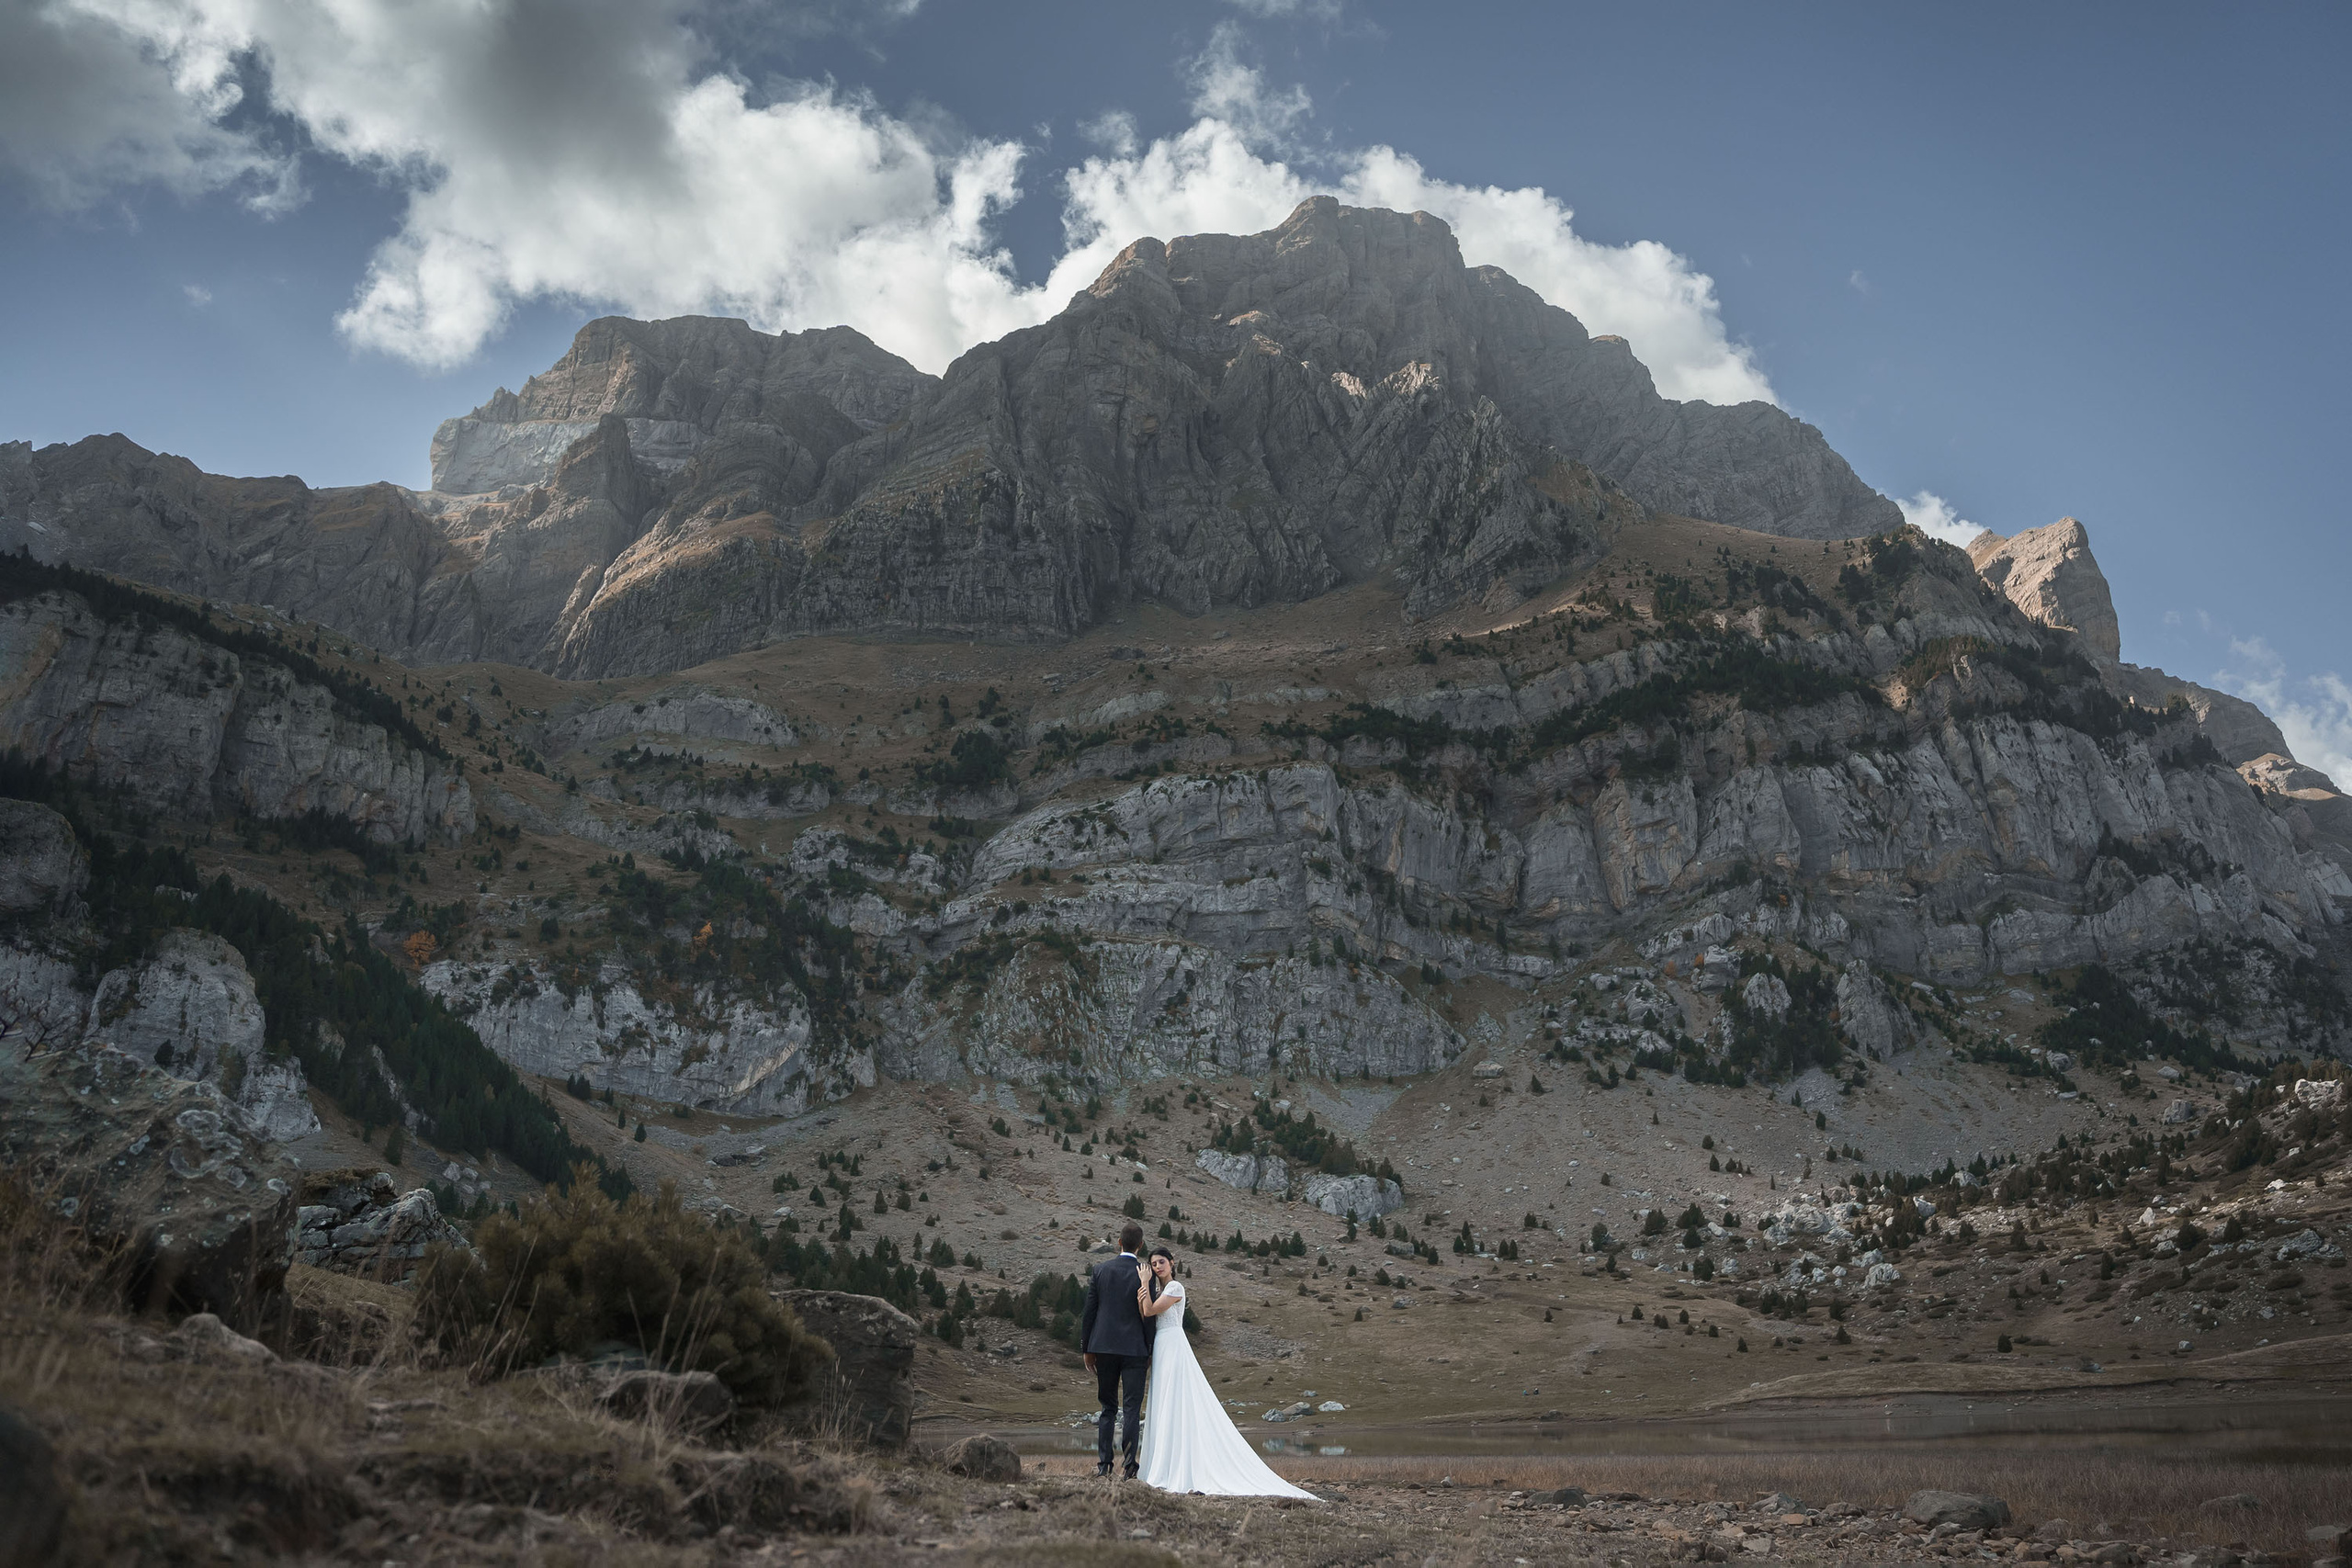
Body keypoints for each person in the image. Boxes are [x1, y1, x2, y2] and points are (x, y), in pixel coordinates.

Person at [1132, 1246, 1318, 1498]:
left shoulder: (1175, 1288)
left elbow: (1152, 1310)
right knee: (1165, 1399)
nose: (1157, 1267)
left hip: (1174, 1344)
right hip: (1162, 1347)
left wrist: (1143, 1282)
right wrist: (1146, 1289)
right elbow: (1145, 1311)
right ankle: (1163, 1463)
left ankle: (1176, 1465)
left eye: (1161, 1262)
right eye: (1153, 1264)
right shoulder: (1158, 1290)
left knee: (1177, 1396)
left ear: (1172, 1263)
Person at [1079, 1222, 1153, 1479]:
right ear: (1140, 1245)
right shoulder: (1145, 1273)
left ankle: (1104, 1465)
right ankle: (1130, 1466)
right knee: (1132, 1408)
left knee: (1107, 1407)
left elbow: (1089, 1313)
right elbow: (1148, 1317)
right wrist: (1149, 1349)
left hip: (1105, 1348)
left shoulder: (1100, 1270)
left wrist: (1086, 1347)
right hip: (1135, 1350)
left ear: (1119, 1243)